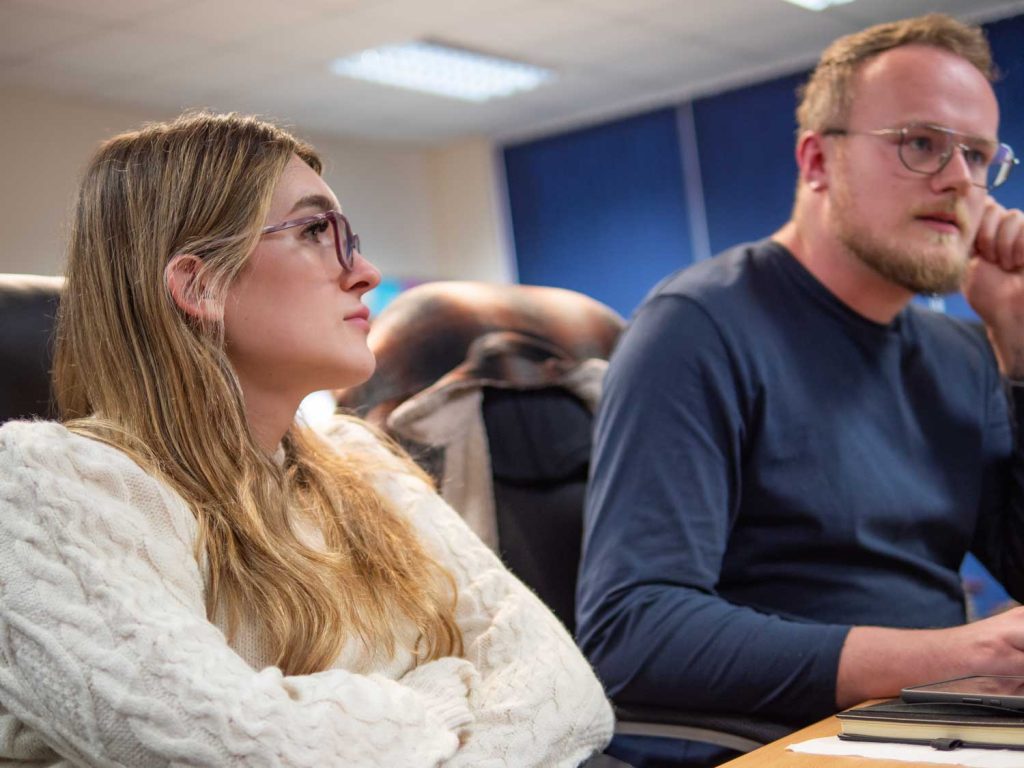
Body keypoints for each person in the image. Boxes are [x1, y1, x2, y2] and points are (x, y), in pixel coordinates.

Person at [0, 112, 613, 766]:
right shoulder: (48, 488)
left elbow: (568, 690)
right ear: (199, 285)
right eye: (316, 231)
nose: (366, 272)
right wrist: (450, 691)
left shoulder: (363, 465)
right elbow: (248, 751)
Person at [576, 13, 1024, 768]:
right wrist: (944, 658)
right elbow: (632, 628)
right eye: (922, 145)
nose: (960, 181)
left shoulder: (960, 352)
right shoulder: (695, 328)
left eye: (978, 156)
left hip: (941, 720)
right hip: (789, 733)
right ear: (817, 160)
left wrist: (1016, 353)